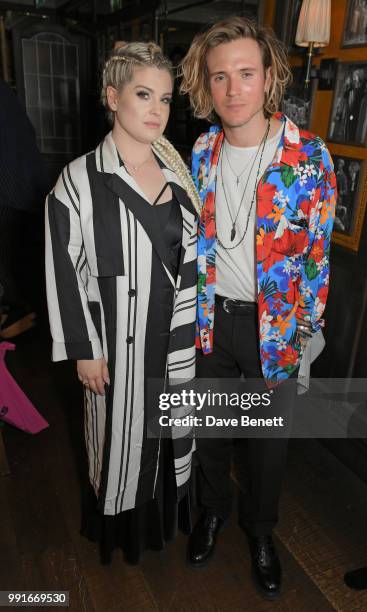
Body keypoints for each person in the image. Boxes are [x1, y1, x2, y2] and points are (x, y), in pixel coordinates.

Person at [180, 17, 336, 599]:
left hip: (275, 330)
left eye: (246, 73)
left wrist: (308, 335)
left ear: (269, 77)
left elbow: (318, 255)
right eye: (220, 77)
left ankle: (261, 533)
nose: (233, 89)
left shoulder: (309, 157)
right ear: (206, 84)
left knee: (267, 446)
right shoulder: (199, 151)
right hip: (211, 323)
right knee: (213, 433)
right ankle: (212, 513)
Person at [45, 42, 201, 564]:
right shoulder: (78, 179)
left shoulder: (177, 174)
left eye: (165, 98)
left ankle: (161, 524)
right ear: (112, 97)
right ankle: (121, 533)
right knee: (118, 442)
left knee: (167, 434)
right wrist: (83, 348)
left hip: (172, 337)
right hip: (115, 342)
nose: (156, 109)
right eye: (142, 94)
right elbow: (63, 268)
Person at [0, 79, 49, 338]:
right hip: (28, 185)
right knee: (26, 264)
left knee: (12, 269)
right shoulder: (6, 91)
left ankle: (19, 322)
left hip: (9, 191)